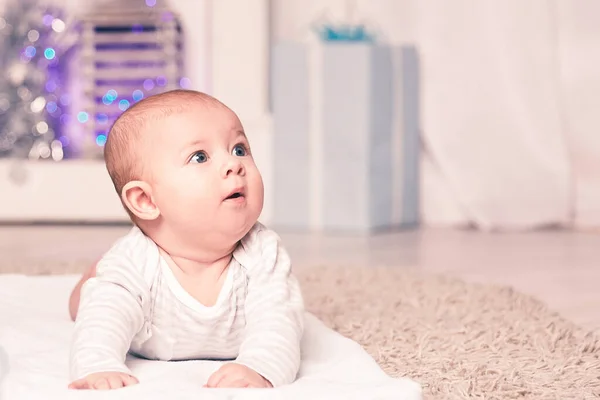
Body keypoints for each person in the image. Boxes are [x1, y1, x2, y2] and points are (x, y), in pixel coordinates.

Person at [67, 89, 304, 391]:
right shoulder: (133, 263)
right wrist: (99, 366)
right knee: (91, 300)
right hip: (128, 283)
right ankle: (92, 278)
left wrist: (259, 367)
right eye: (200, 157)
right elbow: (99, 324)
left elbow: (279, 321)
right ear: (145, 199)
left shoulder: (264, 253)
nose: (234, 164)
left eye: (239, 148)